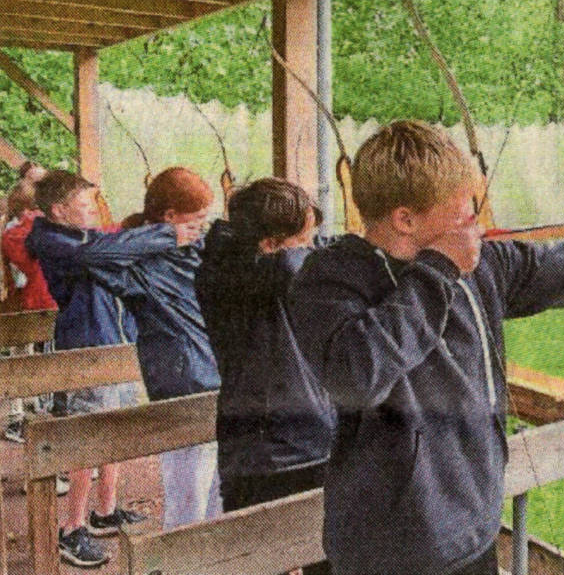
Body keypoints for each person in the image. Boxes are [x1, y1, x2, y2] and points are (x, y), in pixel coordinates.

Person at [289, 121, 564, 575]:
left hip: (473, 530)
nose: (474, 220)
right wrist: (437, 272)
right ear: (405, 219)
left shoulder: (481, 264)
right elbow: (356, 378)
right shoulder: (329, 280)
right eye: (461, 210)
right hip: (387, 550)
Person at [27, 170, 194, 568]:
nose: (94, 212)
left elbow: (117, 251)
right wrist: (169, 234)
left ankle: (105, 511)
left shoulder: (87, 239)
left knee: (116, 431)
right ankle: (71, 528)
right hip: (88, 347)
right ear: (58, 211)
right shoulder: (53, 240)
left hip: (117, 344)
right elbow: (100, 254)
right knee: (89, 436)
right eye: (85, 206)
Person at [197, 178, 335, 575]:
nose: (312, 247)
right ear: (271, 243)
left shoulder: (250, 266)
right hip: (265, 456)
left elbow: (304, 260)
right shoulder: (230, 276)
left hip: (300, 445)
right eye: (304, 239)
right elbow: (297, 265)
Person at [106, 166, 222, 529]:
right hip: (181, 383)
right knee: (187, 496)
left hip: (213, 377)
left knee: (220, 492)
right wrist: (161, 237)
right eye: (197, 217)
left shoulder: (193, 250)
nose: (203, 225)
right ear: (170, 217)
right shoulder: (140, 262)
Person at [2, 180, 59, 444]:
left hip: (31, 303)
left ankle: (32, 412)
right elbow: (24, 269)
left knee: (32, 361)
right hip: (28, 305)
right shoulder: (15, 234)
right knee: (27, 363)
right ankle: (20, 418)